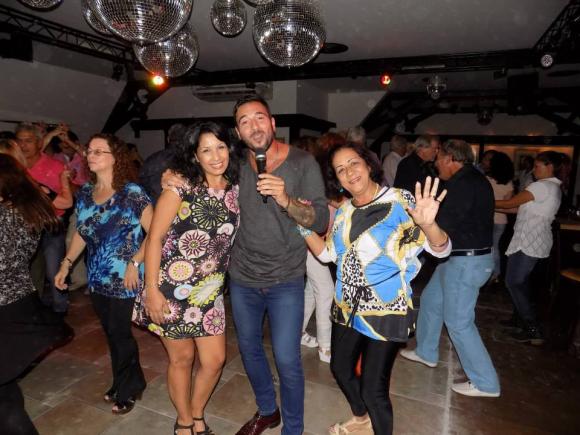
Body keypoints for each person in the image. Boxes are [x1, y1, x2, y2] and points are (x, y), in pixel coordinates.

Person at [163, 96, 330, 435]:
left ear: (273, 122)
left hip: (285, 278)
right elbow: (195, 173)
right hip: (242, 278)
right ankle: (268, 410)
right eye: (244, 121)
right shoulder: (233, 162)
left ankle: (293, 429)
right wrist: (170, 175)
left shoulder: (302, 162)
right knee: (250, 351)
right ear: (238, 133)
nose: (254, 126)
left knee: (287, 359)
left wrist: (285, 199)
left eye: (259, 117)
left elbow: (321, 220)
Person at [299, 142, 450, 435]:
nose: (349, 172)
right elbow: (328, 255)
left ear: (369, 165)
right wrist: (302, 225)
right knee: (340, 369)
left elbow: (441, 249)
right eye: (340, 169)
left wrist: (429, 225)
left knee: (373, 389)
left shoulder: (400, 200)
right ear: (337, 179)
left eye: (353, 163)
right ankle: (362, 419)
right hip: (346, 307)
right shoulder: (344, 211)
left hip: (386, 307)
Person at [133, 122, 241, 435]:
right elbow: (155, 238)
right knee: (182, 359)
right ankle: (184, 421)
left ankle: (197, 412)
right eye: (206, 150)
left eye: (220, 147)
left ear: (229, 149)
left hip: (209, 291)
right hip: (170, 287)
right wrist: (152, 290)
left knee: (214, 360)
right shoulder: (179, 186)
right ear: (195, 155)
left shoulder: (235, 188)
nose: (216, 156)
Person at [55, 134, 153, 414]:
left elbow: (156, 231)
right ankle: (127, 380)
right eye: (90, 151)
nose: (91, 155)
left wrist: (135, 262)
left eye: (99, 151)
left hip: (126, 276)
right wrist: (66, 263)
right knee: (111, 332)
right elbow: (82, 233)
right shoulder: (86, 193)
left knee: (120, 333)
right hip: (97, 276)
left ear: (115, 157)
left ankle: (128, 388)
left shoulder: (131, 192)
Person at [401, 139, 501, 398]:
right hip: (460, 258)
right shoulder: (473, 179)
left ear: (450, 159)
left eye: (439, 158)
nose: (436, 164)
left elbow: (444, 225)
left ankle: (486, 383)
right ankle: (426, 352)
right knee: (432, 300)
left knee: (458, 322)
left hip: (466, 261)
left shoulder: (462, 184)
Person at [0, 154, 73, 435]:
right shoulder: (25, 209)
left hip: (6, 308)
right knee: (5, 390)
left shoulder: (7, 215)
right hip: (18, 302)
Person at [496, 151, 564, 345]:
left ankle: (533, 328)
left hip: (528, 241)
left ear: (550, 166)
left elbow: (511, 202)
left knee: (514, 282)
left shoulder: (541, 186)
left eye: (537, 166)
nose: (534, 170)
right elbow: (515, 208)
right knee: (520, 282)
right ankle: (519, 320)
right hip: (534, 239)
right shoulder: (553, 187)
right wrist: (489, 207)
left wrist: (482, 201)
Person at [16, 123, 73, 314]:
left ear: (39, 143)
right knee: (27, 271)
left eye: (28, 141)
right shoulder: (14, 166)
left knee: (53, 269)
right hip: (24, 225)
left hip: (51, 224)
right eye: (20, 140)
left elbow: (67, 199)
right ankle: (33, 311)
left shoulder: (55, 166)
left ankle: (60, 308)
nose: (23, 145)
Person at [139, 123, 189, 203]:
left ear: (168, 139)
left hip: (152, 205)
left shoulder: (151, 159)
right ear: (187, 140)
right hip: (179, 206)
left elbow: (141, 186)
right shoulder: (191, 161)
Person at [486, 151, 514, 283]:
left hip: (487, 218)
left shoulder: (487, 180)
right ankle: (496, 273)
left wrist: (490, 206)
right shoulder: (509, 183)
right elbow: (507, 206)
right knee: (495, 247)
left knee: (487, 247)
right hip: (502, 220)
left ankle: (490, 272)